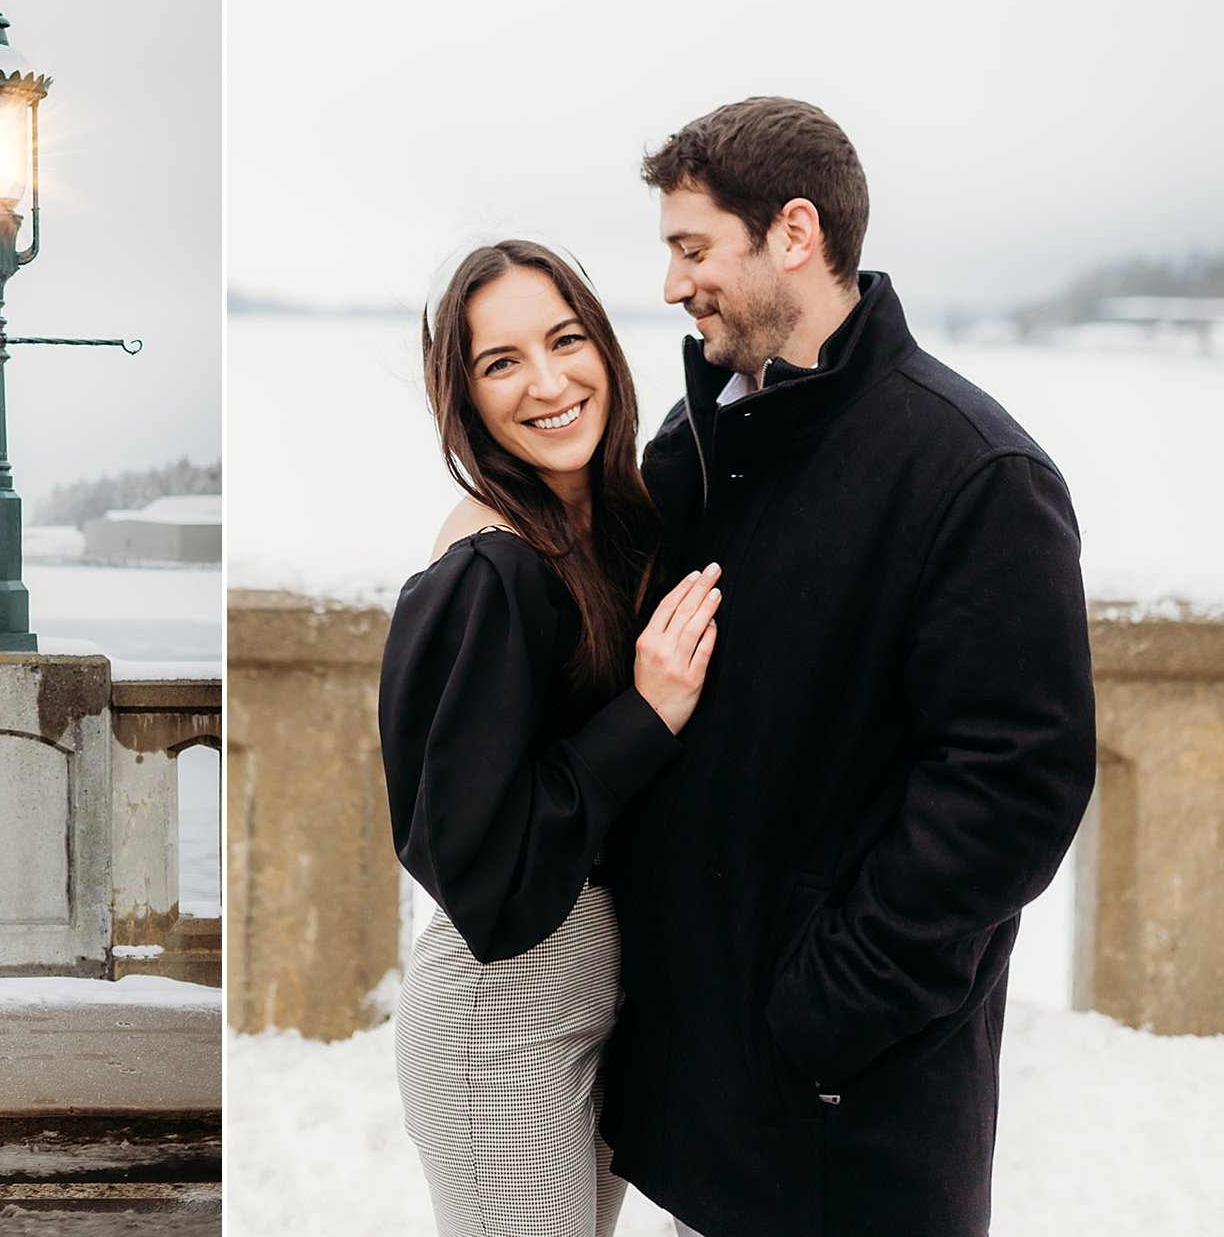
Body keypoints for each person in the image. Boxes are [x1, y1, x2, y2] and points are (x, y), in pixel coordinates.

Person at [601, 97, 1097, 1237]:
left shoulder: (974, 473)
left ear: (792, 232)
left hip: (855, 1108)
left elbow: (1011, 783)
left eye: (690, 248)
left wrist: (829, 1003)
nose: (672, 286)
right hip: (706, 1106)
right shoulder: (688, 457)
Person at [378, 240, 723, 1237]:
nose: (546, 381)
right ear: (465, 396)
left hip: (602, 1001)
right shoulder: (487, 566)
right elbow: (474, 861)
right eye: (500, 362)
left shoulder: (615, 531)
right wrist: (643, 715)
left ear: (605, 351)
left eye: (565, 340)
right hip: (503, 1011)